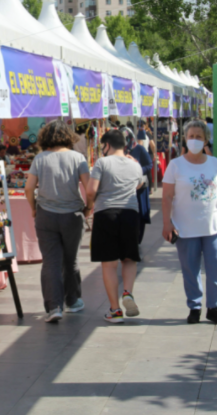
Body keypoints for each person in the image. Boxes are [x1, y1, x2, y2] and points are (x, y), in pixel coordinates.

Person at [162, 119, 217, 326]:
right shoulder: (175, 165)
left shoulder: (214, 163)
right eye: (191, 136)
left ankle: (214, 307)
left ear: (206, 140)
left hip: (213, 226)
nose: (194, 140)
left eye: (199, 137)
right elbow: (167, 196)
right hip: (185, 228)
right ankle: (194, 307)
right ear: (185, 138)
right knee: (190, 269)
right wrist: (167, 223)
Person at [25, 120, 90, 323]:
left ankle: (54, 307)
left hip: (46, 214)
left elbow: (28, 188)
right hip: (72, 214)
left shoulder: (40, 159)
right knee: (70, 260)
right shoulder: (78, 158)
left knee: (51, 261)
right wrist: (89, 207)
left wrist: (34, 208)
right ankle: (73, 300)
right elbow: (89, 188)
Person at [85, 130, 146, 323]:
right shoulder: (135, 165)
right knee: (129, 258)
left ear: (107, 145)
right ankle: (127, 293)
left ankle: (115, 310)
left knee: (109, 264)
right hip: (130, 214)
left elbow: (91, 190)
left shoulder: (102, 163)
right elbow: (139, 186)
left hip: (106, 214)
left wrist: (89, 206)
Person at [121, 128, 153, 244]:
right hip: (126, 188)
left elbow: (149, 164)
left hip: (140, 188)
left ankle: (138, 239)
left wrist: (136, 167)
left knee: (140, 214)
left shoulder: (139, 149)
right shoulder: (120, 151)